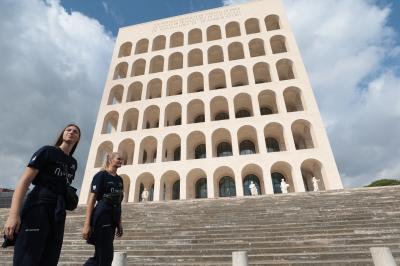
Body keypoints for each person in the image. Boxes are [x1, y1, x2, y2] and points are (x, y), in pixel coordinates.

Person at [2, 123, 81, 266]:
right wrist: (13, 215)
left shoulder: (73, 163)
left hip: (57, 213)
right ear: (63, 134)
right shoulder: (47, 151)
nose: (71, 132)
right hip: (38, 206)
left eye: (75, 131)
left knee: (50, 258)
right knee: (28, 259)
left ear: (78, 138)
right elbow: (24, 181)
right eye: (68, 130)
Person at [82, 152, 124, 266]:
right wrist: (87, 224)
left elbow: (119, 202)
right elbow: (92, 199)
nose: (121, 161)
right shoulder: (101, 175)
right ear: (110, 160)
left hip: (113, 217)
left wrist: (119, 223)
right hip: (102, 215)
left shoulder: (119, 180)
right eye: (119, 158)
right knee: (105, 254)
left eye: (122, 159)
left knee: (102, 255)